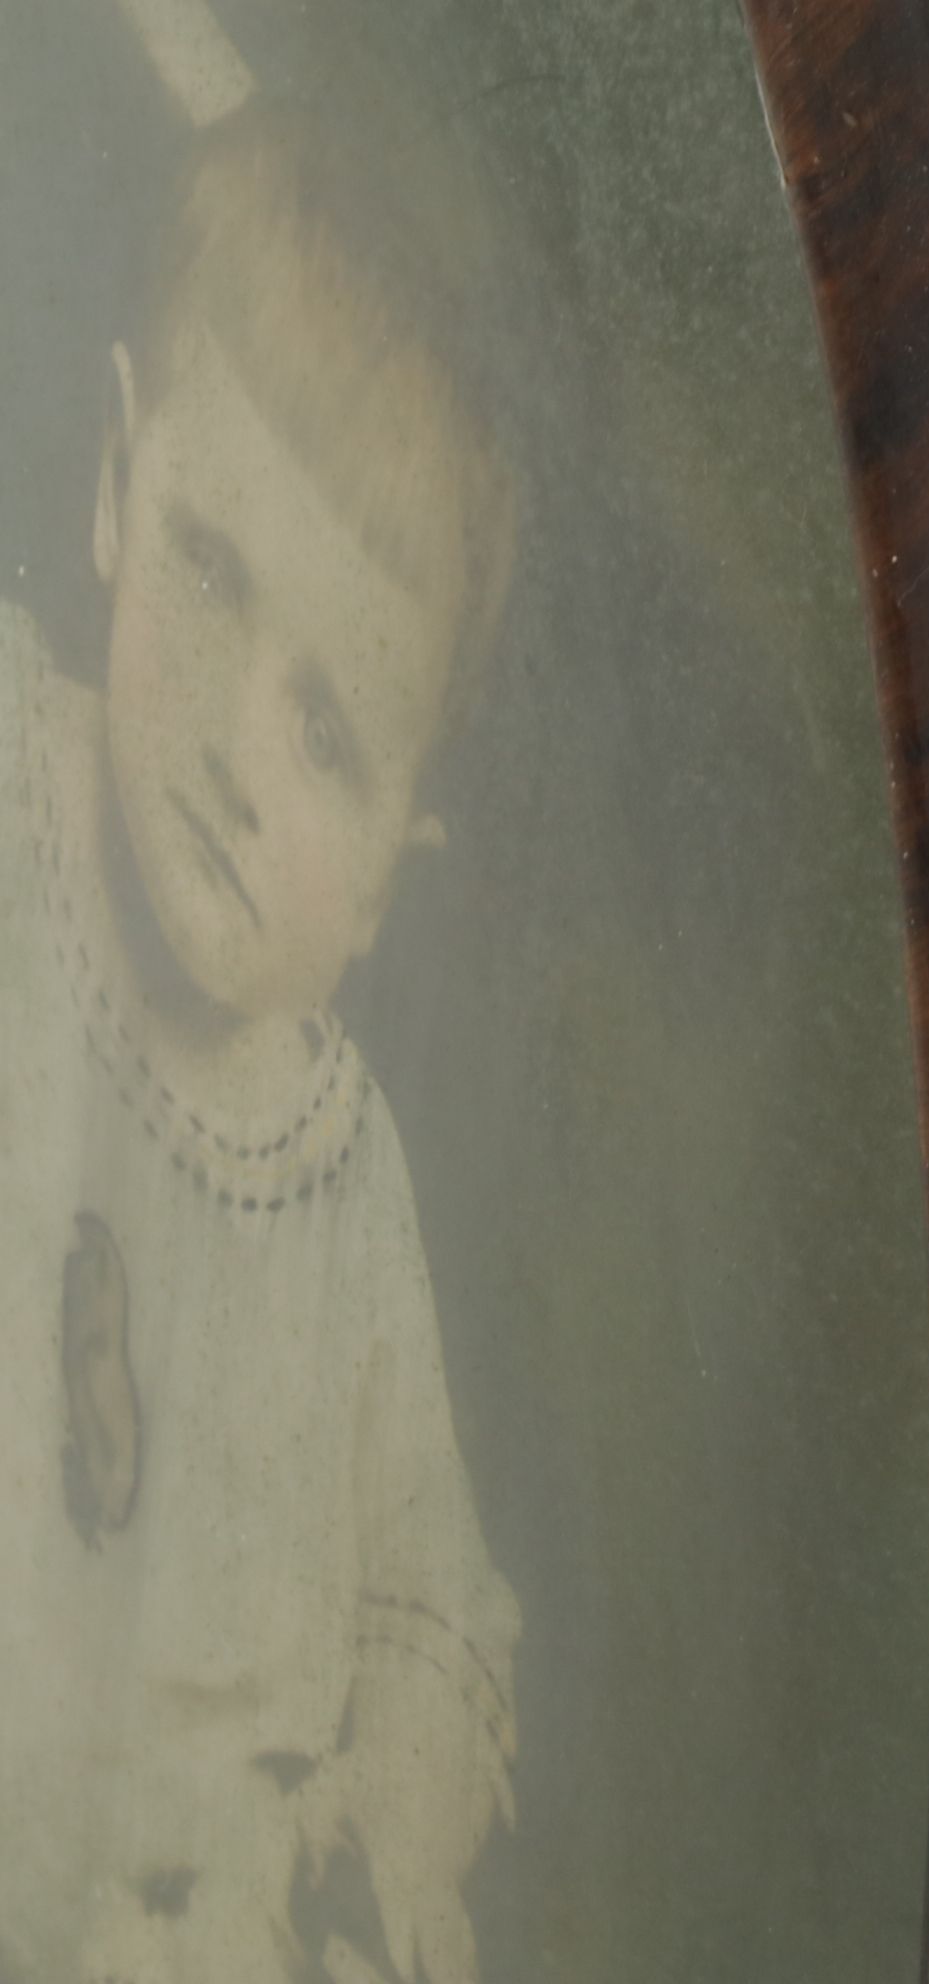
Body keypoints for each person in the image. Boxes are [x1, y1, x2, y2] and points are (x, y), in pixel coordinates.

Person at [0, 81, 523, 1984]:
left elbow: (430, 1606)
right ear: (117, 484)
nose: (238, 748)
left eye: (330, 735)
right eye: (214, 572)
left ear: (390, 873)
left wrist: (390, 1820)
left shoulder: (342, 1179)